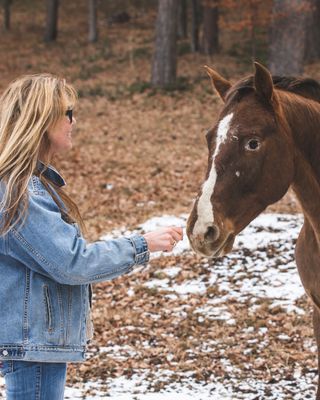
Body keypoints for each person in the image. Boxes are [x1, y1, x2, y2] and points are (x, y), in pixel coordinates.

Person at [0, 74, 183, 400]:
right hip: (32, 345)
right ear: (41, 118)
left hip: (33, 343)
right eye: (67, 112)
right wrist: (143, 244)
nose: (74, 121)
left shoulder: (26, 185)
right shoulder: (22, 189)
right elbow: (72, 262)